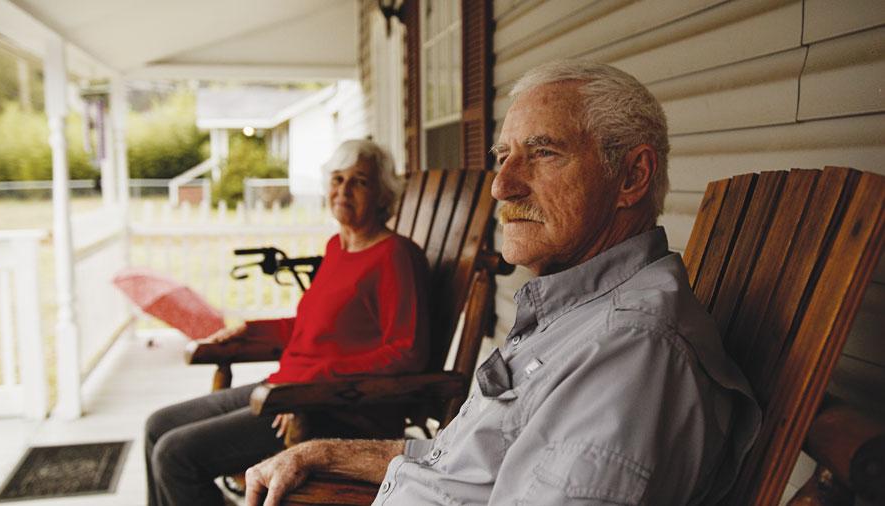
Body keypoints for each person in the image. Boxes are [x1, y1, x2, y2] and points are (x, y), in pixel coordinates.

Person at [243, 60, 762, 506]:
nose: (501, 185)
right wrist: (322, 453)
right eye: (503, 155)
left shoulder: (630, 350)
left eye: (543, 153)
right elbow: (463, 457)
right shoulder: (573, 312)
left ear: (631, 178)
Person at [144, 139, 431, 506]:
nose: (344, 190)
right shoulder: (337, 247)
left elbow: (406, 353)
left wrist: (313, 381)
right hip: (290, 388)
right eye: (338, 179)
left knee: (175, 455)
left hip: (334, 409)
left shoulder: (396, 256)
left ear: (381, 195)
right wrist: (251, 330)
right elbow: (310, 327)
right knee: (157, 426)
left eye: (359, 181)